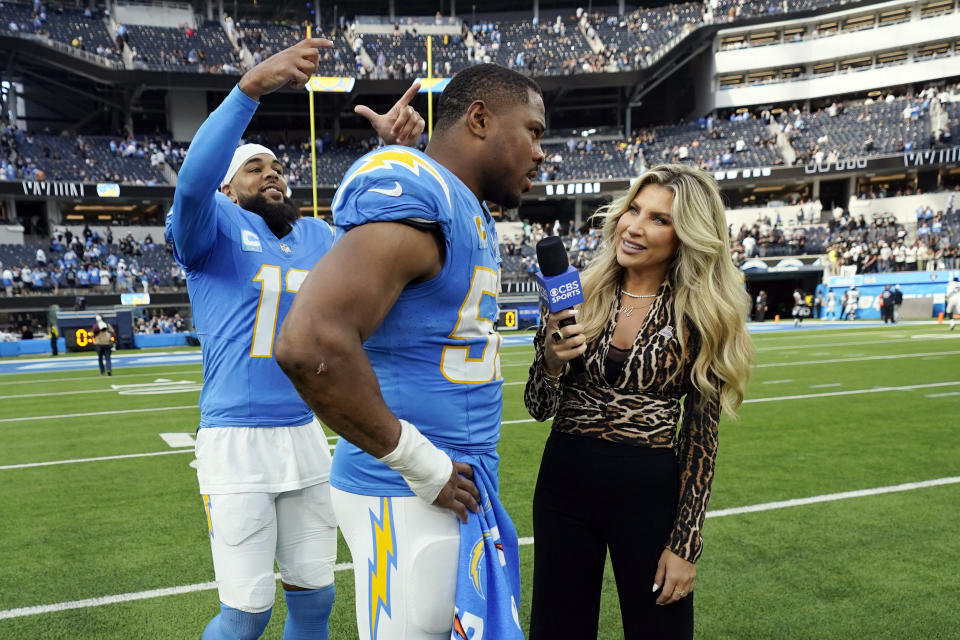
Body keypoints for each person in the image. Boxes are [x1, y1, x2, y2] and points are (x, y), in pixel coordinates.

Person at [275, 63, 546, 640]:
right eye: (534, 131)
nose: (540, 152)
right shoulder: (418, 194)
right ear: (479, 119)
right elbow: (309, 342)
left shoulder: (454, 200)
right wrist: (421, 464)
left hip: (448, 484)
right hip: (409, 489)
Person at [166, 37, 425, 640]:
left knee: (314, 601)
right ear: (229, 188)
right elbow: (190, 188)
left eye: (277, 168)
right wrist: (249, 89)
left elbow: (376, 237)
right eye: (254, 168)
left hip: (308, 435)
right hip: (236, 442)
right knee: (245, 615)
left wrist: (390, 155)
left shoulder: (314, 236)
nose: (272, 175)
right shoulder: (214, 227)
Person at [523, 164, 754, 640]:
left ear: (686, 235)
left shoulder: (701, 314)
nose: (634, 226)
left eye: (658, 219)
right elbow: (538, 406)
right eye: (634, 209)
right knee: (557, 630)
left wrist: (686, 544)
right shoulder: (575, 294)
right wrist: (548, 360)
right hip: (563, 485)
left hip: (648, 496)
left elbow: (700, 439)